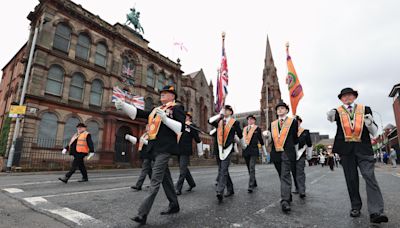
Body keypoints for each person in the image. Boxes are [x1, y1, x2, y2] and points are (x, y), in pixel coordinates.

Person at [115, 85, 185, 225]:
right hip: (154, 148)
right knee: (166, 179)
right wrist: (124, 105)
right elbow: (141, 114)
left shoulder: (176, 108)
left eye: (166, 93)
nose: (162, 95)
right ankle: (174, 204)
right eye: (162, 93)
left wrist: (165, 119)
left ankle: (142, 214)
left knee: (155, 181)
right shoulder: (156, 110)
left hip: (165, 148)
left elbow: (181, 127)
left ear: (173, 96)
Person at [327, 87, 388, 224]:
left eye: (350, 95)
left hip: (364, 148)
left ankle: (376, 211)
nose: (347, 97)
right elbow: (330, 119)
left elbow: (374, 132)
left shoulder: (365, 109)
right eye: (344, 96)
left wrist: (370, 123)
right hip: (346, 150)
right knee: (351, 179)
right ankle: (355, 207)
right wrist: (329, 114)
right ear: (341, 99)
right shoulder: (337, 111)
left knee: (369, 177)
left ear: (354, 97)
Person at [263, 101, 299, 212]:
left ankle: (285, 200)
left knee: (285, 175)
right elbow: (269, 142)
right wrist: (266, 137)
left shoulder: (293, 122)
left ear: (286, 110)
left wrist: (296, 153)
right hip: (276, 153)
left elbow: (295, 138)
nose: (280, 110)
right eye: (278, 108)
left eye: (282, 108)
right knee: (282, 175)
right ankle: (287, 193)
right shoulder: (273, 124)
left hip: (287, 152)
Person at [208, 105, 244, 202]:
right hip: (219, 148)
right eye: (224, 110)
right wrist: (219, 115)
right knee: (222, 169)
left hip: (228, 148)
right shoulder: (219, 121)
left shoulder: (235, 122)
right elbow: (209, 121)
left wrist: (243, 144)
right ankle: (230, 189)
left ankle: (220, 191)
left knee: (223, 170)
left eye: (227, 110)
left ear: (231, 112)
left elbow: (240, 135)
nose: (225, 111)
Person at [175, 112, 203, 195]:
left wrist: (200, 150)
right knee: (184, 169)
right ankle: (191, 183)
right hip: (178, 149)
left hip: (185, 150)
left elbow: (197, 138)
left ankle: (178, 188)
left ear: (189, 118)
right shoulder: (180, 125)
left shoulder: (191, 126)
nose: (185, 117)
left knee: (182, 170)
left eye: (186, 117)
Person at [242, 115, 267, 193]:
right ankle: (254, 182)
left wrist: (264, 152)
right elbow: (242, 139)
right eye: (249, 119)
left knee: (252, 167)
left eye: (251, 119)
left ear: (254, 121)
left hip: (254, 150)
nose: (250, 120)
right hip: (246, 150)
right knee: (249, 168)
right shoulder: (244, 129)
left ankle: (251, 185)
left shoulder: (257, 129)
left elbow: (261, 140)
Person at [127, 127, 153, 191]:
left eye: (148, 127)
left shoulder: (152, 134)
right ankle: (154, 184)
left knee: (144, 170)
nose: (146, 127)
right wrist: (130, 138)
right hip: (143, 154)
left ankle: (138, 185)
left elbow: (152, 144)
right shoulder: (144, 134)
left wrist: (146, 142)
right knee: (149, 171)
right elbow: (139, 141)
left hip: (148, 155)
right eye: (147, 127)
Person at [294, 115, 312, 198]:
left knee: (300, 172)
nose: (296, 123)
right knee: (294, 173)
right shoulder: (289, 132)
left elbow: (309, 144)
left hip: (300, 154)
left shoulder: (305, 132)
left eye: (298, 121)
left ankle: (302, 190)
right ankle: (297, 188)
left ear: (300, 122)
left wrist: (309, 155)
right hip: (290, 154)